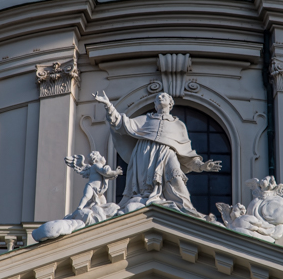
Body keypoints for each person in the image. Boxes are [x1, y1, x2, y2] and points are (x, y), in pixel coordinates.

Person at [92, 92, 221, 217]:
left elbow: (187, 154)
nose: (160, 97)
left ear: (170, 103)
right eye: (157, 97)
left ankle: (186, 208)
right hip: (145, 153)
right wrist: (108, 105)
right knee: (145, 188)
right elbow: (120, 122)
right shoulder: (146, 119)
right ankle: (146, 201)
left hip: (167, 154)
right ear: (154, 104)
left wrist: (201, 166)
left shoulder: (178, 125)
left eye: (163, 96)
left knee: (176, 177)